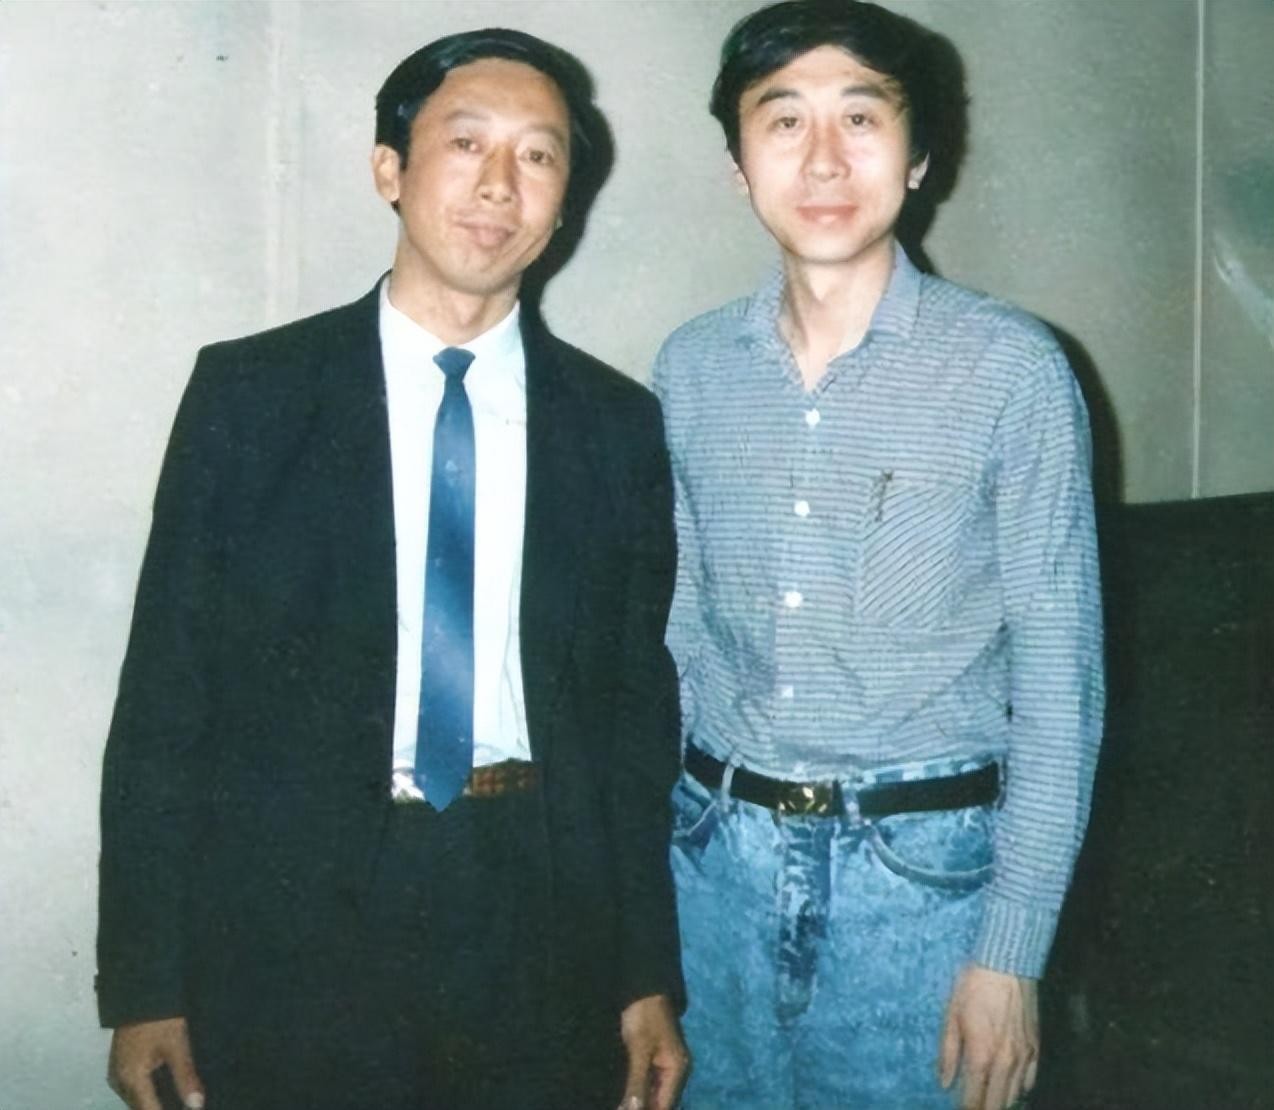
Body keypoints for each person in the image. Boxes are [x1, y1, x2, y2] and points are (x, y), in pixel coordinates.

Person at [98, 28, 687, 1110]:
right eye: (465, 143)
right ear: (389, 170)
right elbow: (165, 702)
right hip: (294, 915)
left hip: (536, 912)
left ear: (565, 200)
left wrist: (644, 973)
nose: (500, 183)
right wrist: (145, 984)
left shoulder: (614, 425)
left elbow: (630, 720)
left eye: (539, 155)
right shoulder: (252, 396)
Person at [654, 3, 1103, 1108]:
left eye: (860, 118)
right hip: (709, 869)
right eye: (783, 121)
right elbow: (675, 640)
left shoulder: (1011, 370)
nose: (822, 159)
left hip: (923, 890)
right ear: (737, 165)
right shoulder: (691, 367)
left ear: (917, 157)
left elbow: (1061, 686)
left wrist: (1010, 954)